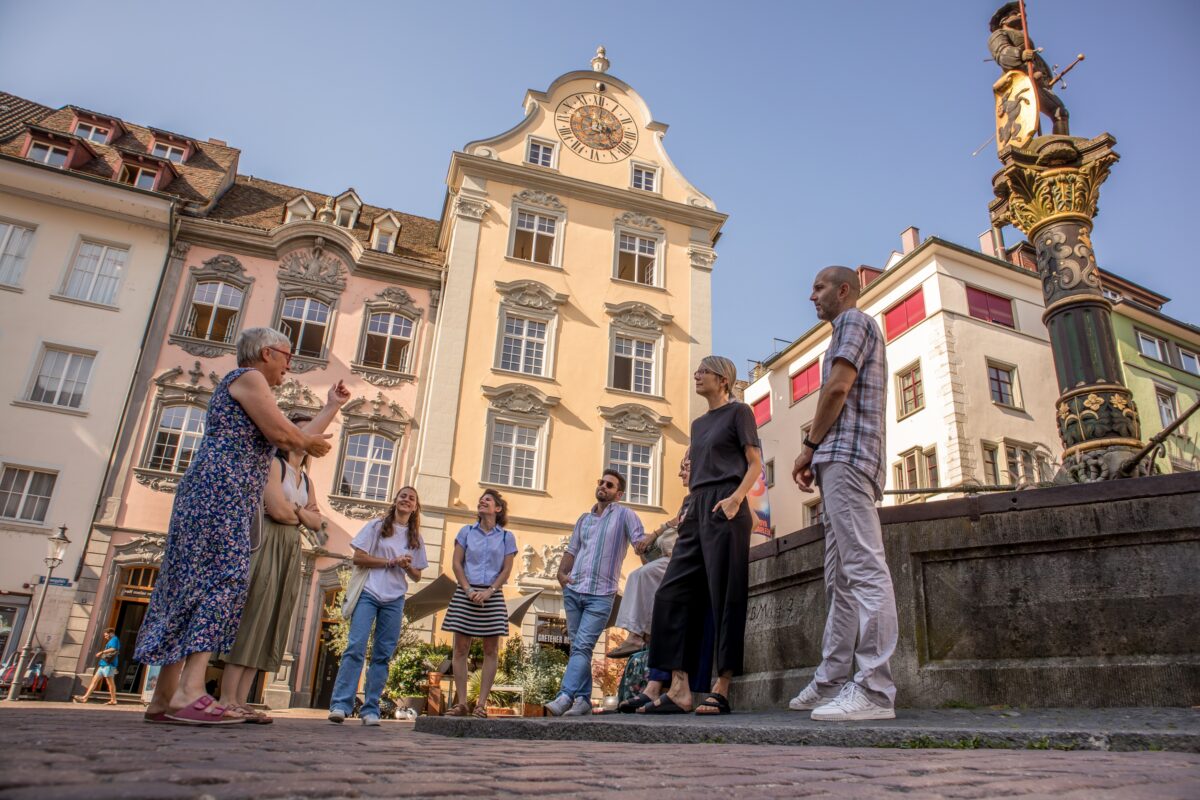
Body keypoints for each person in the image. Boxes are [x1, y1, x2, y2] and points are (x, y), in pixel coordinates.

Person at [135, 327, 333, 725]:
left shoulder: (251, 386)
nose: (289, 365)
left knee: (189, 582)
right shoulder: (249, 377)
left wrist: (328, 410)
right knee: (224, 579)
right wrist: (309, 444)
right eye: (286, 354)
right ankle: (190, 692)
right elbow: (285, 435)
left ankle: (163, 697)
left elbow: (290, 438)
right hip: (220, 490)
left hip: (216, 490)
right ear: (264, 353)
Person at [790, 265, 897, 721]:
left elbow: (836, 388)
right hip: (844, 457)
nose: (811, 296)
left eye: (818, 287)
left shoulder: (853, 321)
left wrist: (808, 447)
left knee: (864, 568)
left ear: (844, 290)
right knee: (842, 579)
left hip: (847, 456)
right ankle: (835, 678)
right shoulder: (847, 328)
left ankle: (874, 690)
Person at [218, 391, 349, 724]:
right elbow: (275, 509)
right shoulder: (272, 464)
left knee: (270, 620)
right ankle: (227, 697)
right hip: (266, 543)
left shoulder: (304, 478)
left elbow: (319, 520)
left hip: (290, 546)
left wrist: (298, 513)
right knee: (252, 615)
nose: (307, 437)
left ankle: (244, 700)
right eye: (303, 430)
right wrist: (299, 512)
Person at [642, 355, 762, 716]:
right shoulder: (697, 424)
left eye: (704, 372)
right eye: (697, 371)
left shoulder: (740, 413)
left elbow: (754, 461)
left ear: (723, 379)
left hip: (726, 503)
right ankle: (679, 687)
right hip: (696, 506)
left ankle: (722, 687)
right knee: (670, 593)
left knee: (725, 595)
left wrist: (736, 498)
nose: (697, 375)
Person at [545, 470, 647, 716]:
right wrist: (561, 575)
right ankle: (583, 700)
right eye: (601, 482)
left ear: (618, 493)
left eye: (609, 485)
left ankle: (565, 695)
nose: (603, 486)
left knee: (582, 646)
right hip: (574, 590)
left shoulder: (625, 515)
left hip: (601, 595)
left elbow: (640, 544)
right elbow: (572, 550)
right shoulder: (584, 519)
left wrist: (656, 570)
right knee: (580, 647)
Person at [328, 486, 428, 727]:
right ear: (395, 501)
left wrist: (404, 566)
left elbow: (417, 576)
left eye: (412, 498)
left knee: (383, 654)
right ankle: (341, 705)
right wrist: (390, 561)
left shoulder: (415, 538)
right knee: (355, 647)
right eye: (403, 495)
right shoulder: (376, 526)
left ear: (415, 507)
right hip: (369, 593)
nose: (407, 500)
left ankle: (371, 708)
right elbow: (358, 557)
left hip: (394, 598)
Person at [442, 489, 517, 718]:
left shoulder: (506, 536)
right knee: (460, 649)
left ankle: (481, 705)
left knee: (491, 650)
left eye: (488, 500)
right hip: (466, 590)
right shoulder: (466, 532)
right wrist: (468, 590)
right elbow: (457, 564)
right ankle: (462, 703)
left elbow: (506, 569)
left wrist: (490, 591)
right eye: (481, 500)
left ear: (498, 509)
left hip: (492, 595)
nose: (482, 502)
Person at [609, 454, 692, 659]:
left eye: (686, 467)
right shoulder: (689, 499)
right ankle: (641, 635)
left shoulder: (700, 495)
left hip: (684, 557)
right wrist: (654, 535)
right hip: (675, 555)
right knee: (642, 577)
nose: (680, 472)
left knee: (641, 576)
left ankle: (638, 635)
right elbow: (676, 520)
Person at [988, 1, 1069, 135]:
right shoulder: (999, 34)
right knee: (1024, 121)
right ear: (1004, 19)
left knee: (1060, 112)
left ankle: (1061, 143)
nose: (1021, 15)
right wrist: (1020, 54)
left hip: (1034, 80)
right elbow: (1001, 53)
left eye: (1022, 14)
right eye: (1015, 13)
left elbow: (1036, 59)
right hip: (1018, 81)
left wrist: (1045, 76)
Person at [73, 628, 119, 705]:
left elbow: (113, 649)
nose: (105, 637)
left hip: (109, 665)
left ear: (111, 633)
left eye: (106, 635)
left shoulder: (115, 639)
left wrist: (102, 652)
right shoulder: (111, 640)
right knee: (94, 681)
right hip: (103, 665)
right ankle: (85, 698)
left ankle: (113, 700)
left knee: (110, 683)